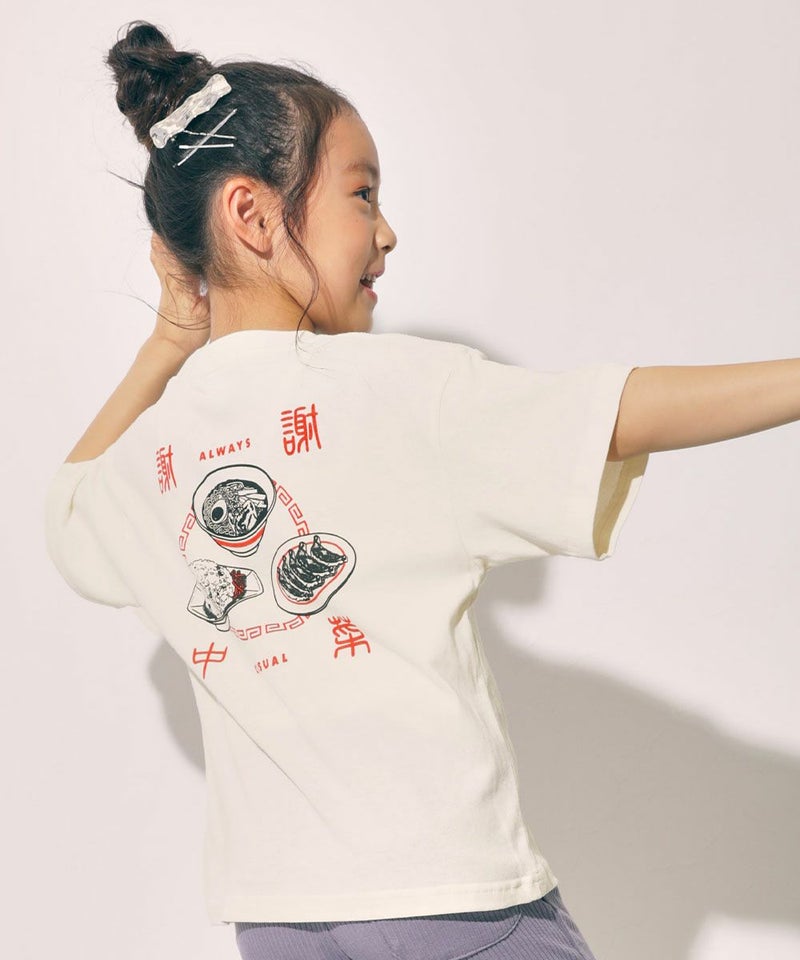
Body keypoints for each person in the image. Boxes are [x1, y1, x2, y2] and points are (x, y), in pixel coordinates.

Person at [43, 19, 799, 960]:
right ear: (253, 215)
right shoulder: (395, 390)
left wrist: (170, 339)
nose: (386, 232)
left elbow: (67, 514)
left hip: (278, 923)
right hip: (454, 903)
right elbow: (621, 410)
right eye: (362, 194)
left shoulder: (151, 456)